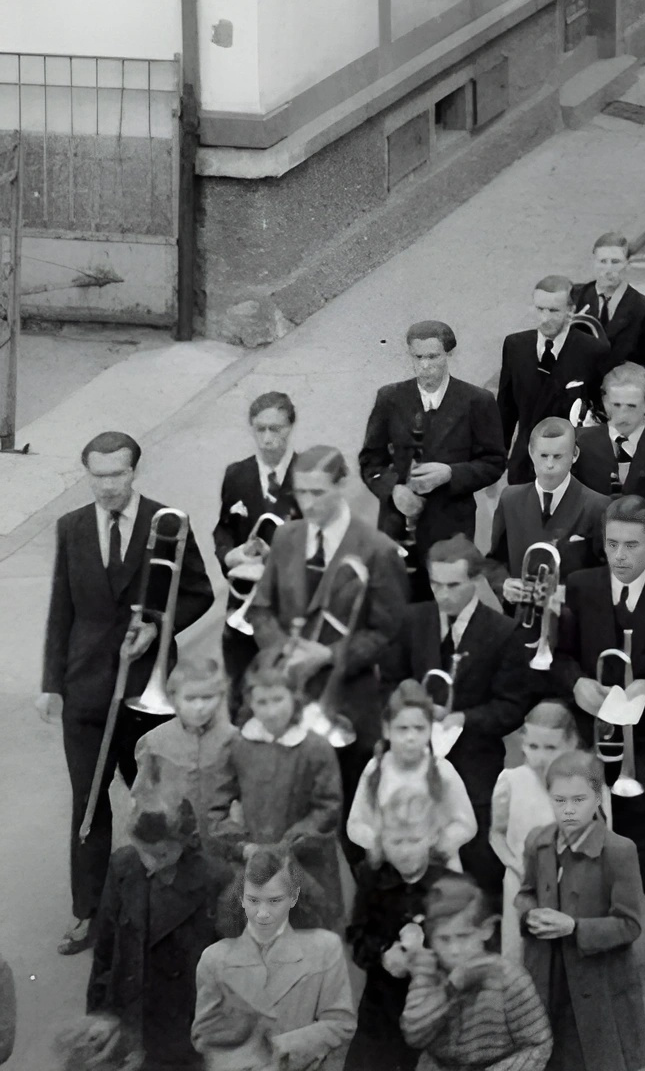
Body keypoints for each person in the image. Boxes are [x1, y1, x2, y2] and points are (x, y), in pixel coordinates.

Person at [40, 429, 214, 953]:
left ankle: (173, 903)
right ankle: (89, 913)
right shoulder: (72, 527)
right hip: (85, 689)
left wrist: (157, 626)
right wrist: (51, 684)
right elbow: (61, 608)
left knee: (159, 802)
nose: (107, 486)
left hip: (146, 693)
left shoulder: (169, 522)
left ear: (134, 471)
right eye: (97, 476)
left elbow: (200, 593)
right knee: (88, 804)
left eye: (117, 474)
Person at [545, 496, 645, 975]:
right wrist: (576, 681)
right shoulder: (581, 586)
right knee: (590, 840)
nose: (619, 555)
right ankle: (601, 930)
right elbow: (557, 655)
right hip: (591, 738)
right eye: (611, 543)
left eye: (631, 545)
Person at [245, 443, 410, 823]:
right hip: (289, 701)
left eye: (318, 492)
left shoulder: (378, 549)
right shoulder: (286, 537)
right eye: (301, 492)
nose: (308, 503)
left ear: (342, 485)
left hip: (349, 705)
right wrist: (284, 651)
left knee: (348, 817)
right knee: (288, 818)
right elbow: (261, 608)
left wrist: (330, 655)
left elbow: (388, 634)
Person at [380, 541, 528, 898]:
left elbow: (511, 707)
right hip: (416, 763)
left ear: (476, 581)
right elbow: (389, 681)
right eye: (436, 584)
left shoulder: (504, 632)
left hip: (474, 764)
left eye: (453, 585)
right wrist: (410, 705)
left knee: (478, 864)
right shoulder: (413, 620)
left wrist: (462, 718)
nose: (443, 595)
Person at [517, 757, 645, 1071]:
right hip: (548, 974)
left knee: (596, 1054)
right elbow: (526, 892)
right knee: (550, 1053)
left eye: (579, 800)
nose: (568, 810)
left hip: (599, 980)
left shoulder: (618, 851)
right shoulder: (539, 842)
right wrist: (529, 914)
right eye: (559, 800)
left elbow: (630, 924)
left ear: (598, 798)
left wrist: (574, 927)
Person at [360, 323, 506, 595]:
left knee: (448, 605)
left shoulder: (478, 401)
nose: (425, 366)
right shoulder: (389, 398)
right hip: (398, 529)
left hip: (451, 529)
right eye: (418, 357)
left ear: (449, 355)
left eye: (433, 357)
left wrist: (451, 473)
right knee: (402, 606)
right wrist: (393, 491)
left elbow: (494, 462)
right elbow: (370, 460)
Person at [88, 792, 230, 1071]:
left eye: (162, 854)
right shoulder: (123, 866)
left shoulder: (215, 880)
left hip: (187, 1015)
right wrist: (100, 1013)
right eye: (144, 852)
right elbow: (105, 945)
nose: (152, 863)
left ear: (185, 842)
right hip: (133, 1007)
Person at [192, 847, 356, 1068]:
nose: (262, 913)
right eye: (253, 900)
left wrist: (280, 1047)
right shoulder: (215, 958)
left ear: (293, 897)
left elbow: (341, 1024)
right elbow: (203, 1036)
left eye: (274, 901)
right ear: (241, 898)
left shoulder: (325, 948)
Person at [225, 655, 345, 928]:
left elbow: (328, 806)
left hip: (306, 862)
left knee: (309, 929)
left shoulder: (315, 748)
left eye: (278, 700)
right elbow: (220, 802)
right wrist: (241, 845)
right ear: (250, 703)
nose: (271, 711)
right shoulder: (239, 746)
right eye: (262, 702)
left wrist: (288, 843)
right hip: (253, 860)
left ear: (294, 698)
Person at [400, 875, 551, 1071]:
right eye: (443, 939)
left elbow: (538, 1044)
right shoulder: (429, 974)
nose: (454, 950)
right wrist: (450, 988)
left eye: (463, 936)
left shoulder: (509, 977)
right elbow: (414, 1035)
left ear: (486, 930)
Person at [486, 417, 607, 662]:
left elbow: (606, 573)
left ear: (574, 455)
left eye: (558, 456)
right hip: (520, 625)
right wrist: (504, 585)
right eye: (543, 456)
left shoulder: (598, 506)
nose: (550, 465)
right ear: (531, 453)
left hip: (574, 631)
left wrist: (567, 594)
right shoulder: (510, 499)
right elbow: (494, 561)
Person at [344, 796, 451, 1070]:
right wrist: (383, 953)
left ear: (432, 837)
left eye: (414, 841)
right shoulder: (372, 878)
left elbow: (460, 946)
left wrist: (426, 956)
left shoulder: (446, 883)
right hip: (381, 1002)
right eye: (396, 842)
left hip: (432, 1001)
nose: (405, 851)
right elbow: (357, 936)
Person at [215, 393, 301, 689]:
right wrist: (230, 555)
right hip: (244, 600)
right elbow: (224, 528)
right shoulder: (237, 474)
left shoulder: (310, 475)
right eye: (259, 429)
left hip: (290, 608)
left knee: (286, 690)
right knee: (240, 687)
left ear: (290, 427)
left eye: (275, 429)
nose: (266, 438)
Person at [488, 705, 581, 979]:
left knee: (564, 959)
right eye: (533, 746)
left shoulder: (587, 783)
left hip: (571, 884)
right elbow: (496, 833)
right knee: (519, 956)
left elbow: (602, 840)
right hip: (522, 884)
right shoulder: (511, 781)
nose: (540, 757)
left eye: (551, 748)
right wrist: (517, 866)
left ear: (572, 744)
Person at [346, 684, 477, 872]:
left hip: (438, 870)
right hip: (388, 871)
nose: (410, 737)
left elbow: (466, 824)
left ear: (430, 729)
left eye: (419, 728)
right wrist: (380, 841)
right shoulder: (375, 769)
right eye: (402, 729)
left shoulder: (442, 770)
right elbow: (355, 823)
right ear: (387, 729)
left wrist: (434, 844)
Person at [496, 279, 612, 487]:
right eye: (540, 309)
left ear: (571, 310)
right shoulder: (515, 346)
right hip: (525, 465)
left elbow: (602, 413)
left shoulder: (593, 351)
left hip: (573, 468)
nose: (545, 318)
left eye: (553, 311)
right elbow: (506, 409)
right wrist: (496, 460)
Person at [134, 653, 237, 847]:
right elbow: (143, 796)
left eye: (208, 697)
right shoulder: (153, 741)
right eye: (190, 698)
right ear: (174, 699)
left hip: (221, 841)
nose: (199, 707)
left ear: (222, 696)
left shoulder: (235, 741)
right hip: (170, 843)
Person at [569, 236, 645, 404]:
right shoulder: (575, 297)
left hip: (620, 399)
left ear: (627, 264)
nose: (608, 269)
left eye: (615, 262)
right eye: (603, 261)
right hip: (577, 395)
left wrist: (634, 376)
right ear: (593, 262)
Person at [572, 368, 645, 505]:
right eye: (616, 405)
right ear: (605, 402)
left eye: (631, 406)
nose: (623, 414)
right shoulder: (580, 442)